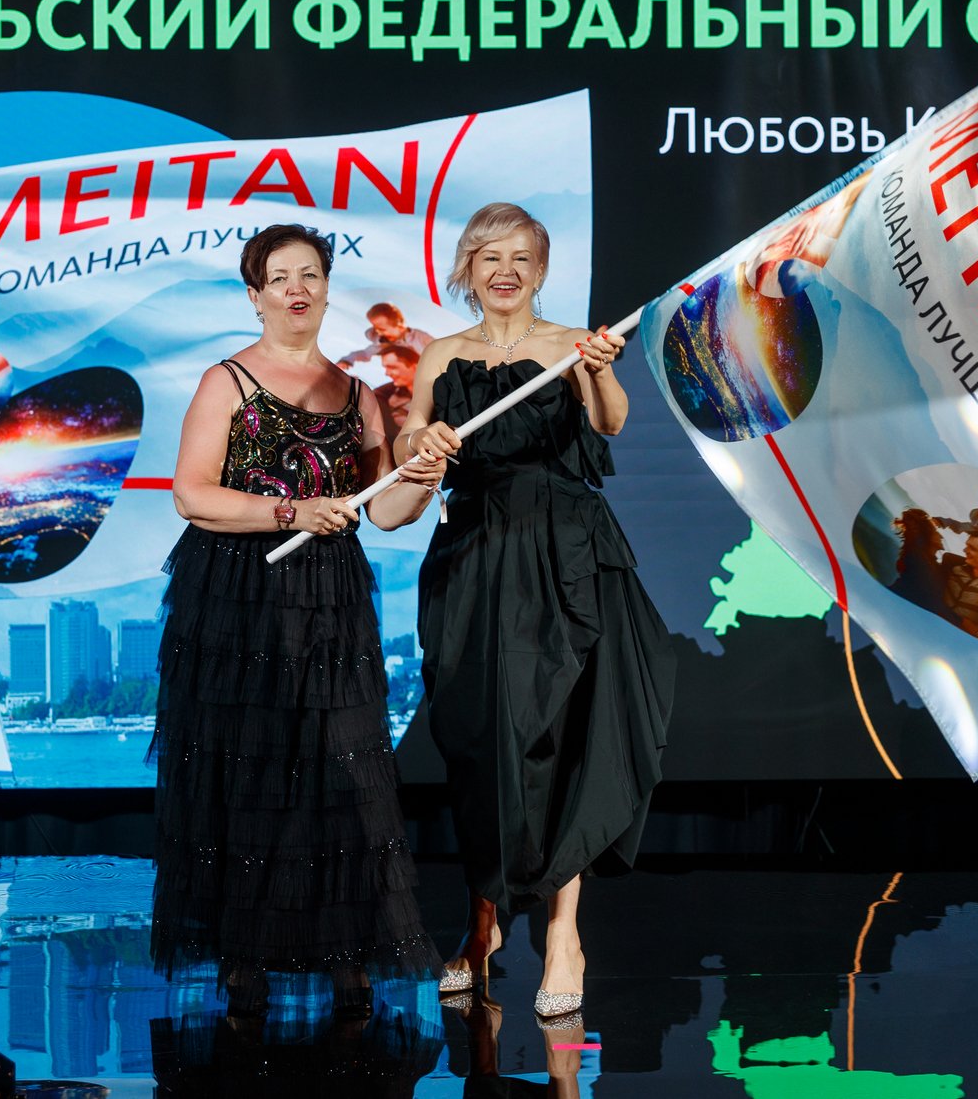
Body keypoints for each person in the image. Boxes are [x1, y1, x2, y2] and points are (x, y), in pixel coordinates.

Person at [152, 223, 447, 1020]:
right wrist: (292, 512)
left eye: (310, 274)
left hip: (329, 598)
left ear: (325, 288)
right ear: (255, 296)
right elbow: (191, 494)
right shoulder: (226, 381)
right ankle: (244, 960)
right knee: (247, 769)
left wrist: (424, 474)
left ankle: (347, 953)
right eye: (279, 277)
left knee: (340, 768)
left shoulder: (359, 395)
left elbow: (385, 511)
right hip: (236, 594)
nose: (297, 288)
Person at [395, 202, 677, 1021]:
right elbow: (411, 436)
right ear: (468, 269)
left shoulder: (572, 345)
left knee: (563, 738)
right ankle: (481, 926)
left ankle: (563, 936)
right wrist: (421, 444)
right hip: (474, 558)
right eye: (490, 257)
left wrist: (600, 369)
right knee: (481, 745)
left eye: (521, 257)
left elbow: (609, 422)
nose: (506, 271)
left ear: (542, 270)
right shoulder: (442, 355)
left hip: (566, 555)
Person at [336, 302, 436, 368]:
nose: (379, 332)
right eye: (376, 329)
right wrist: (347, 361)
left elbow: (440, 349)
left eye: (382, 329)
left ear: (399, 325)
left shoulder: (420, 337)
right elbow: (365, 354)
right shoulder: (384, 343)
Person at [370, 342, 419, 443]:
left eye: (392, 367)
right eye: (385, 368)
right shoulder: (387, 398)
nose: (387, 373)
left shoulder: (441, 392)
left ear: (414, 366)